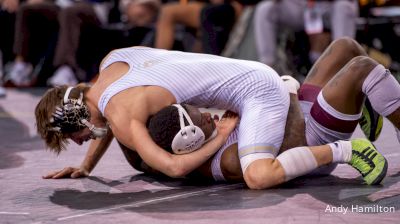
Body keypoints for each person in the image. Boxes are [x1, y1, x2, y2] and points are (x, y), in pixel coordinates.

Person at [144, 37, 398, 185]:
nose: (209, 115)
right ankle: (376, 105)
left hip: (299, 114)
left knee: (345, 46)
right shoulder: (229, 160)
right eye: (203, 119)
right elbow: (292, 142)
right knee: (361, 67)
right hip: (311, 137)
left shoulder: (206, 137)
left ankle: (363, 99)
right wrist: (287, 92)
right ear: (190, 138)